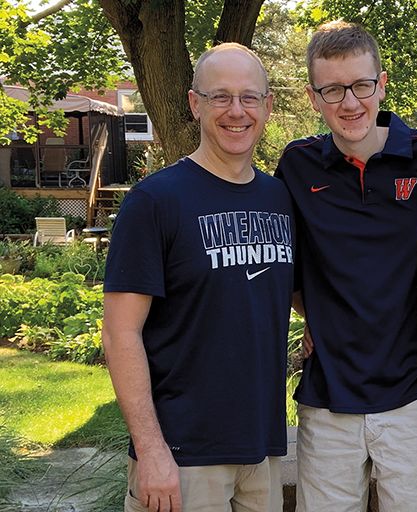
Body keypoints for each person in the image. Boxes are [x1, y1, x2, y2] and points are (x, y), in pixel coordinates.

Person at [102, 43, 294, 512]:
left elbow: (280, 296)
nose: (237, 111)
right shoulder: (155, 201)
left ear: (267, 106)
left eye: (249, 97)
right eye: (220, 97)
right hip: (183, 456)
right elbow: (119, 332)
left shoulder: (278, 198)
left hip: (261, 448)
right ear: (195, 103)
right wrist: (151, 452)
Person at [275, 21, 417, 512]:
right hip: (329, 398)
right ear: (313, 98)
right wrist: (311, 313)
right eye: (332, 90)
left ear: (383, 83)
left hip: (413, 395)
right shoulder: (297, 166)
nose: (349, 103)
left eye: (361, 85)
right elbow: (282, 259)